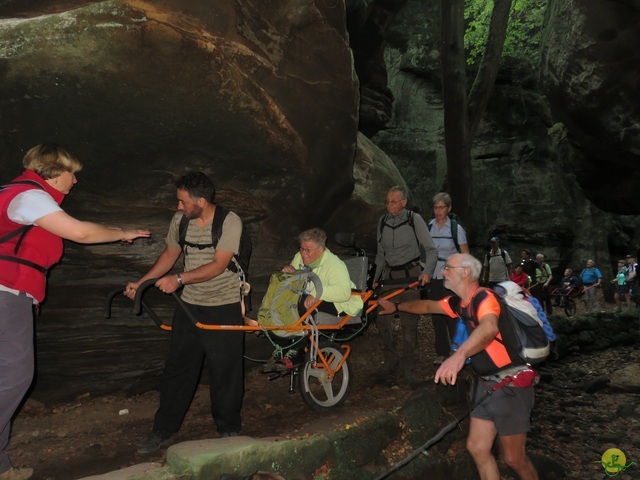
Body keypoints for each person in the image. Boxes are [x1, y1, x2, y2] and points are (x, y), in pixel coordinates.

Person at [0, 144, 150, 480]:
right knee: (15, 375)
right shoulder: (30, 196)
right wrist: (122, 233)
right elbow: (80, 232)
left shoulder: (12, 194)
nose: (75, 182)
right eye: (73, 174)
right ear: (53, 171)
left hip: (8, 292)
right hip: (5, 293)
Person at [377, 253, 539, 480]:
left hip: (510, 385)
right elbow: (427, 306)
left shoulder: (484, 297)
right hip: (486, 385)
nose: (443, 272)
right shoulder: (461, 303)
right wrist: (395, 307)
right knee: (477, 448)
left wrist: (459, 355)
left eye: (448, 267)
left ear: (466, 272)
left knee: (514, 459)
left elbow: (489, 327)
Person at [124, 172, 245, 454]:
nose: (178, 207)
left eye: (182, 202)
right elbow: (170, 254)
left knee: (226, 370)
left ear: (200, 202)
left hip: (224, 305)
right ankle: (163, 429)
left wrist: (179, 280)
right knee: (178, 368)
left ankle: (229, 430)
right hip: (190, 305)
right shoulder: (181, 221)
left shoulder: (229, 222)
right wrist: (142, 283)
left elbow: (218, 265)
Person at [263, 227, 363, 370]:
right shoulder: (299, 257)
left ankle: (295, 352)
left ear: (320, 250)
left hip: (340, 305)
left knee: (301, 303)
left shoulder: (334, 264)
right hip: (307, 300)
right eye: (301, 248)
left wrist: (317, 293)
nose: (303, 253)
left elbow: (344, 292)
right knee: (282, 301)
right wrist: (289, 273)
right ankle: (282, 347)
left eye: (308, 250)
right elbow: (294, 282)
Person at [373, 186, 438, 385]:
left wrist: (427, 272)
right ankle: (391, 360)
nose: (389, 205)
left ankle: (409, 367)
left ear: (404, 202)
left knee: (410, 324)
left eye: (394, 201)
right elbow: (380, 254)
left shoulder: (413, 219)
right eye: (387, 201)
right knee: (383, 320)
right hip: (389, 278)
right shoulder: (382, 222)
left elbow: (431, 249)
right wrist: (375, 278)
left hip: (410, 277)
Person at [426, 192, 469, 365]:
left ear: (449, 208)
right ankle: (442, 352)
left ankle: (458, 351)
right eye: (436, 207)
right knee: (436, 313)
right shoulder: (429, 227)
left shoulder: (455, 228)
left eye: (441, 207)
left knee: (451, 313)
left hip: (451, 277)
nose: (438, 211)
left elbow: (465, 254)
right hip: (433, 275)